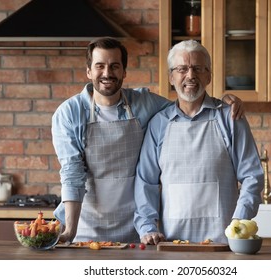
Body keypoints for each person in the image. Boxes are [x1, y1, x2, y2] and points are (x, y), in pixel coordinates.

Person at [52, 37, 245, 244]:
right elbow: (72, 172)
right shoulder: (69, 113)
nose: (107, 73)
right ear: (88, 71)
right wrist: (70, 231)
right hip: (84, 227)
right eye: (100, 66)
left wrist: (223, 102)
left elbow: (187, 101)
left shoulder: (144, 103)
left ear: (124, 72)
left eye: (114, 66)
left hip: (136, 231)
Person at [133, 40, 264, 245]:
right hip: (171, 246)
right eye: (182, 69)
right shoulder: (158, 124)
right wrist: (148, 228)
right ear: (171, 77)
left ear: (209, 76)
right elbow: (145, 182)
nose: (190, 76)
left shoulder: (229, 118)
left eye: (198, 69)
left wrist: (240, 220)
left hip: (222, 245)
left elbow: (252, 176)